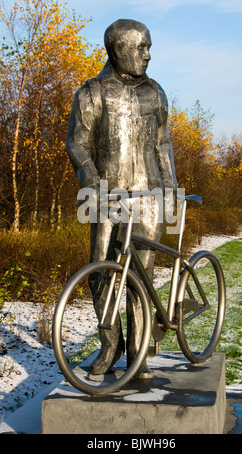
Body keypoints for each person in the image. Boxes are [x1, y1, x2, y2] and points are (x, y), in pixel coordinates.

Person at [66, 19, 177, 378]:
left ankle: (138, 352)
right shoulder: (92, 93)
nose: (148, 55)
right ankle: (109, 343)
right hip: (107, 196)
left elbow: (163, 143)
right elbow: (77, 144)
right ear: (117, 50)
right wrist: (91, 178)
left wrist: (171, 187)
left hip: (149, 195)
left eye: (148, 46)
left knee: (140, 277)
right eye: (140, 47)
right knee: (100, 270)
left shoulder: (156, 92)